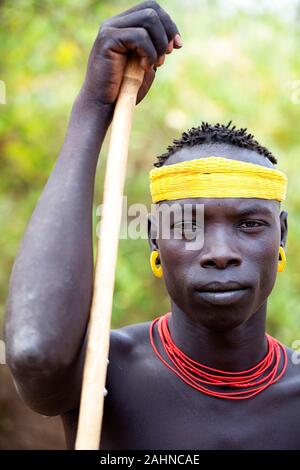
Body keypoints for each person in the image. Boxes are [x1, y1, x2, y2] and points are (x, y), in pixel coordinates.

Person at [4, 1, 299, 450]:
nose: (219, 251)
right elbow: (34, 355)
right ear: (154, 242)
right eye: (186, 227)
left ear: (280, 236)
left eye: (248, 224)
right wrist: (92, 108)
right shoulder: (105, 372)